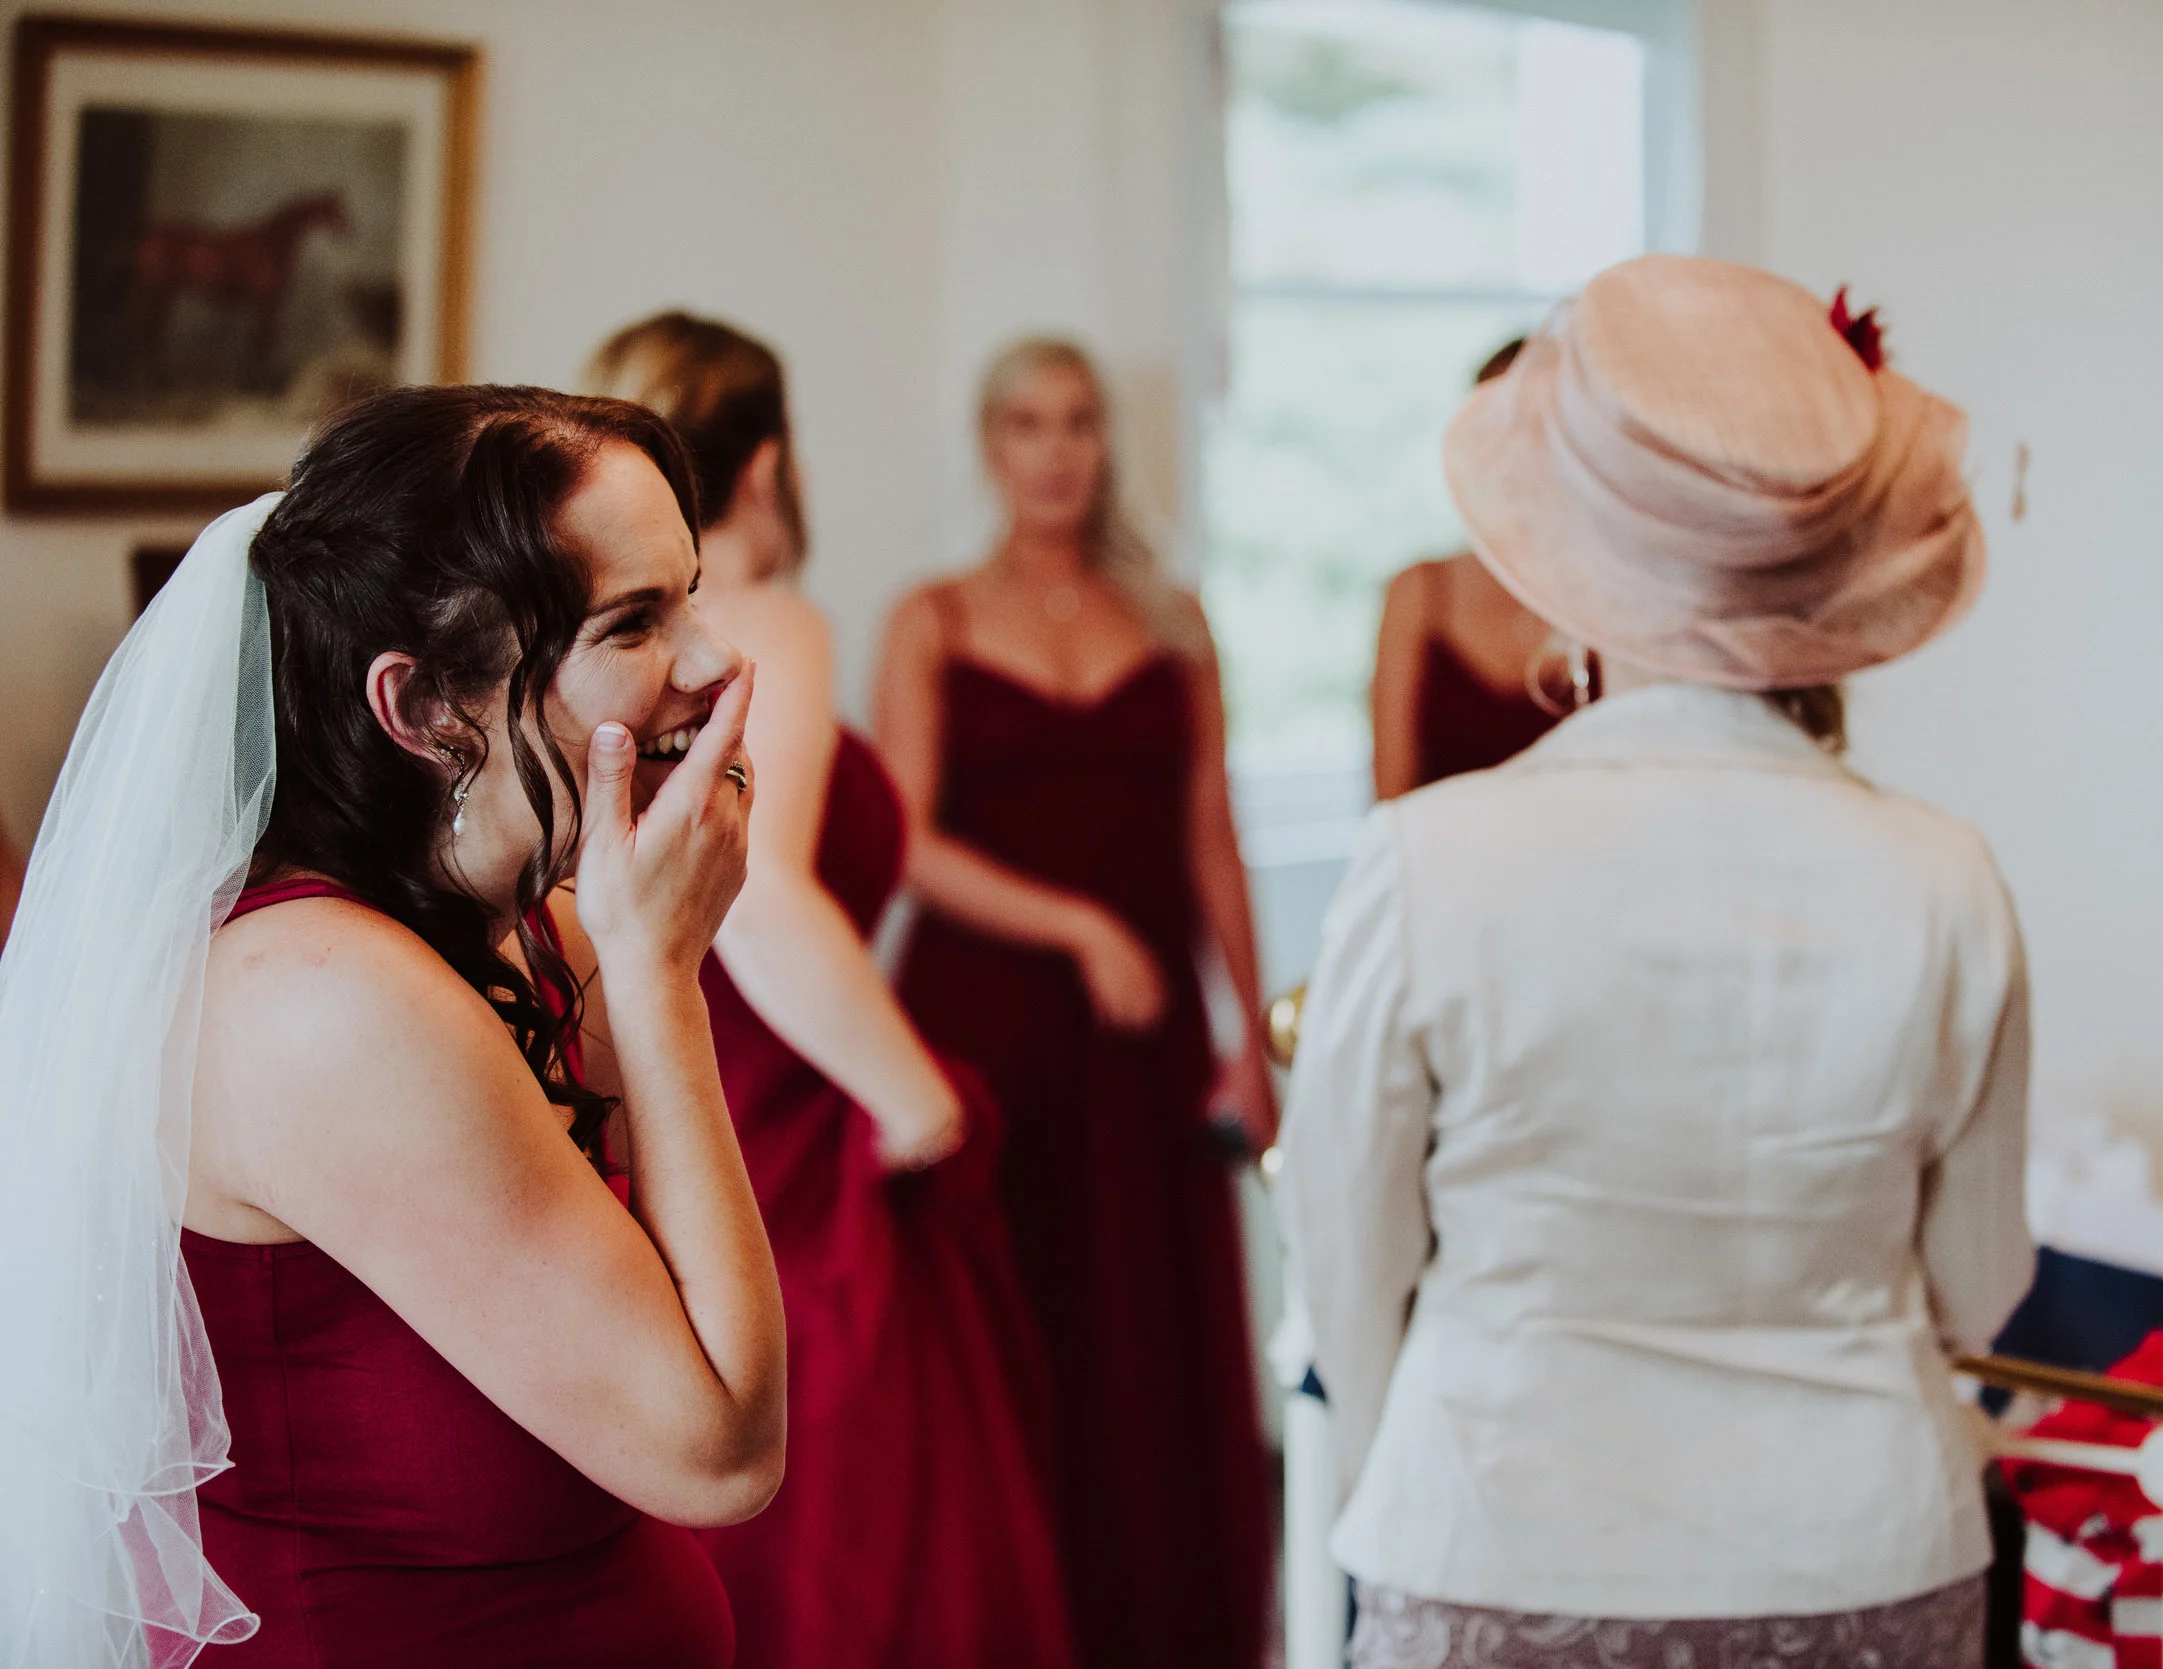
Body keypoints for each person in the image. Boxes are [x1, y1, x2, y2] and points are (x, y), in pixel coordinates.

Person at [1279, 256, 2033, 1668]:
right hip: (1864, 1546)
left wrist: (1432, 1455)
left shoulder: (1431, 857)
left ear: (1563, 565)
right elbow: (1979, 1279)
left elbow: (1344, 1242)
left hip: (1499, 1531)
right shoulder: (1946, 875)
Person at [0, 384, 786, 1668]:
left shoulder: (532, 928)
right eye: (637, 620)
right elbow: (722, 1445)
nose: (715, 663)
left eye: (691, 595)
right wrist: (665, 978)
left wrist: (634, 956)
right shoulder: (317, 999)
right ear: (423, 708)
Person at [584, 312, 1075, 1669]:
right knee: (863, 1526)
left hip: (685, 1113)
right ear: (767, 466)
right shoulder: (764, 625)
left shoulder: (596, 654)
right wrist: (916, 1098)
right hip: (794, 1134)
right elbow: (769, 906)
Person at [876, 337, 1274, 1669]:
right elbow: (907, 840)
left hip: (1146, 1036)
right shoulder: (929, 617)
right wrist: (1078, 923)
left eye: (1079, 423)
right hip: (986, 1024)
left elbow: (1213, 832)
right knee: (1011, 1340)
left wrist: (1250, 1034)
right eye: (1027, 423)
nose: (1056, 450)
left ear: (1106, 445)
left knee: (1147, 1353)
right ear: (989, 446)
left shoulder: (1174, 617)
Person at [1369, 338, 1596, 800]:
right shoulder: (1420, 592)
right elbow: (1390, 795)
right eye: (1493, 425)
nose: (1513, 448)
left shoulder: (1618, 592)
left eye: (1536, 425)